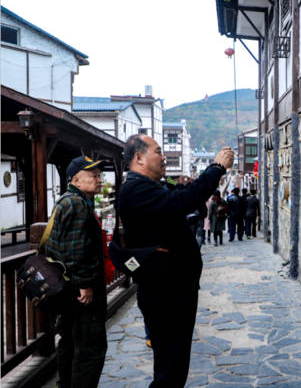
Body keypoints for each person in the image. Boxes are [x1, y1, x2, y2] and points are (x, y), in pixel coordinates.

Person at [117, 135, 233, 387]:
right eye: (158, 151)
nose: (163, 157)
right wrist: (216, 168)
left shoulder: (152, 186)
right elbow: (184, 199)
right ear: (138, 158)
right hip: (165, 293)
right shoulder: (135, 190)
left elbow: (185, 194)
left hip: (173, 289)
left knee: (174, 367)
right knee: (169, 371)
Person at [44, 156, 108, 388]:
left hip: (67, 291)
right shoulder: (77, 205)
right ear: (76, 179)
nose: (99, 179)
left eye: (99, 175)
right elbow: (75, 250)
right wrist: (85, 284)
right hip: (81, 293)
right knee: (90, 351)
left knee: (69, 345)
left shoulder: (67, 201)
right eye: (93, 175)